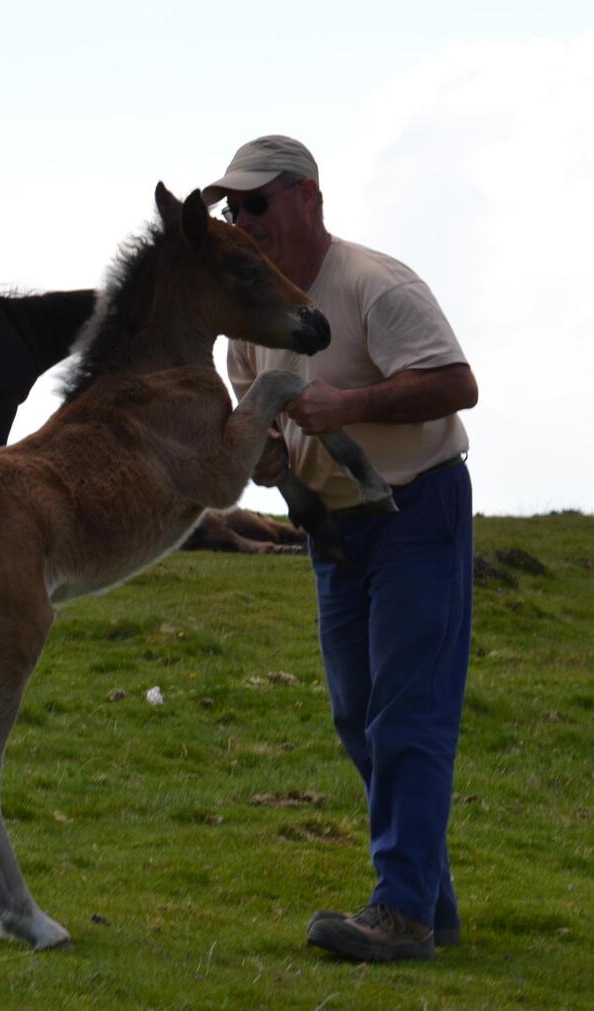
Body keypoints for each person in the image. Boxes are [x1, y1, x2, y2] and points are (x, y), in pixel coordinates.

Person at [203, 135, 478, 963]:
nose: (242, 220)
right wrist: (268, 456)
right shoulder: (249, 319)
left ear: (309, 199)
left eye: (257, 202)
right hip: (334, 526)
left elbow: (457, 384)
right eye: (232, 207)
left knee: (405, 712)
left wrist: (346, 403)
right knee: (358, 715)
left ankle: (401, 912)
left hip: (415, 511)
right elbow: (261, 422)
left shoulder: (374, 284)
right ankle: (426, 901)